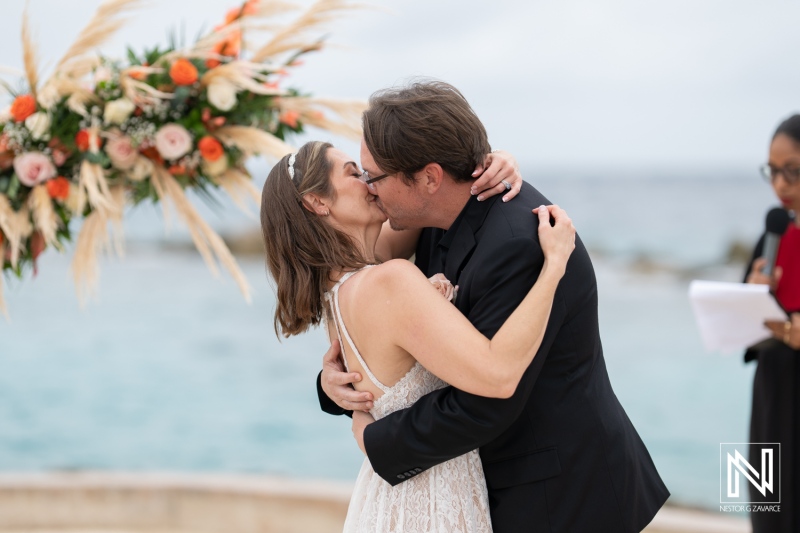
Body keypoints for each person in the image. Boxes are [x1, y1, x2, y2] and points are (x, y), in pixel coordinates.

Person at [318, 80, 670, 532]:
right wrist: (335, 384)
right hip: (507, 483)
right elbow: (394, 327)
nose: (370, 189)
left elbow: (485, 403)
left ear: (429, 178)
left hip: (561, 494)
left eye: (374, 177)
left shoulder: (518, 243)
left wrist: (375, 438)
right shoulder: (434, 218)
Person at [260, 139, 576, 532]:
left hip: (390, 496)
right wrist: (554, 267)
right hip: (433, 503)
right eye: (354, 173)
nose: (370, 182)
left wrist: (493, 162)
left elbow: (426, 201)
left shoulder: (338, 289)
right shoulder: (387, 282)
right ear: (317, 202)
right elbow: (498, 373)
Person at [744, 113, 800, 533]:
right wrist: (749, 294)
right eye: (772, 171)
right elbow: (745, 332)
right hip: (771, 393)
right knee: (767, 514)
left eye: (792, 171)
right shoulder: (772, 236)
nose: (780, 184)